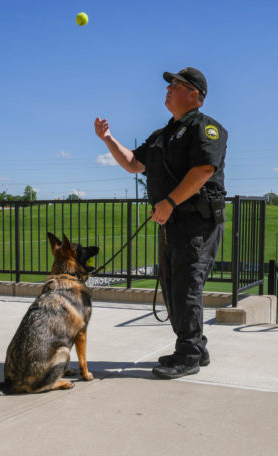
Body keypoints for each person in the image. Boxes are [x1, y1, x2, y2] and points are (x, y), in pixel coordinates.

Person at [94, 67, 227, 379]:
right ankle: (195, 347)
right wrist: (108, 138)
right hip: (172, 225)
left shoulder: (207, 129)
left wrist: (168, 202)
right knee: (172, 289)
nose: (168, 89)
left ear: (195, 94)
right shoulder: (162, 136)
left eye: (176, 85)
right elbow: (132, 164)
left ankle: (188, 355)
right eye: (169, 85)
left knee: (186, 288)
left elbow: (204, 170)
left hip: (197, 223)